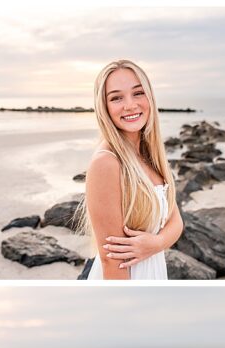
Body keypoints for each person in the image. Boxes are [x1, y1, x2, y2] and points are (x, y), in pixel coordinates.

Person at [79, 60, 183, 280]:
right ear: (104, 106)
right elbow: (112, 261)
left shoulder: (150, 156)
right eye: (116, 97)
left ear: (150, 97)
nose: (130, 105)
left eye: (138, 93)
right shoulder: (106, 163)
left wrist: (156, 243)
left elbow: (176, 221)